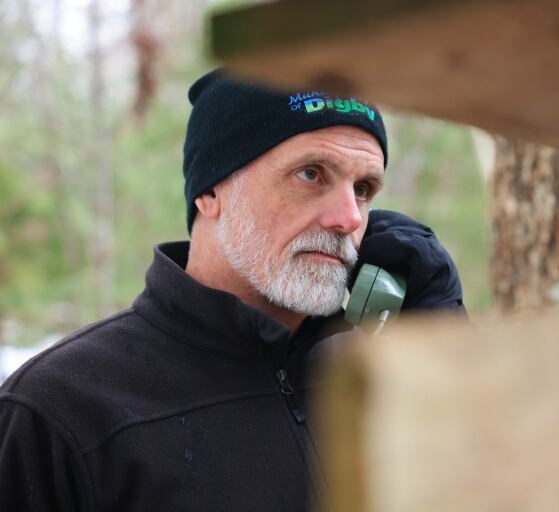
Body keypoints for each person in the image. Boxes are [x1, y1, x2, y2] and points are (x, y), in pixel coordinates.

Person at [0, 69, 464, 511]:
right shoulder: (60, 409)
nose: (349, 218)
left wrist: (445, 350)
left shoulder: (376, 368)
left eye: (363, 188)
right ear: (211, 190)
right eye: (311, 174)